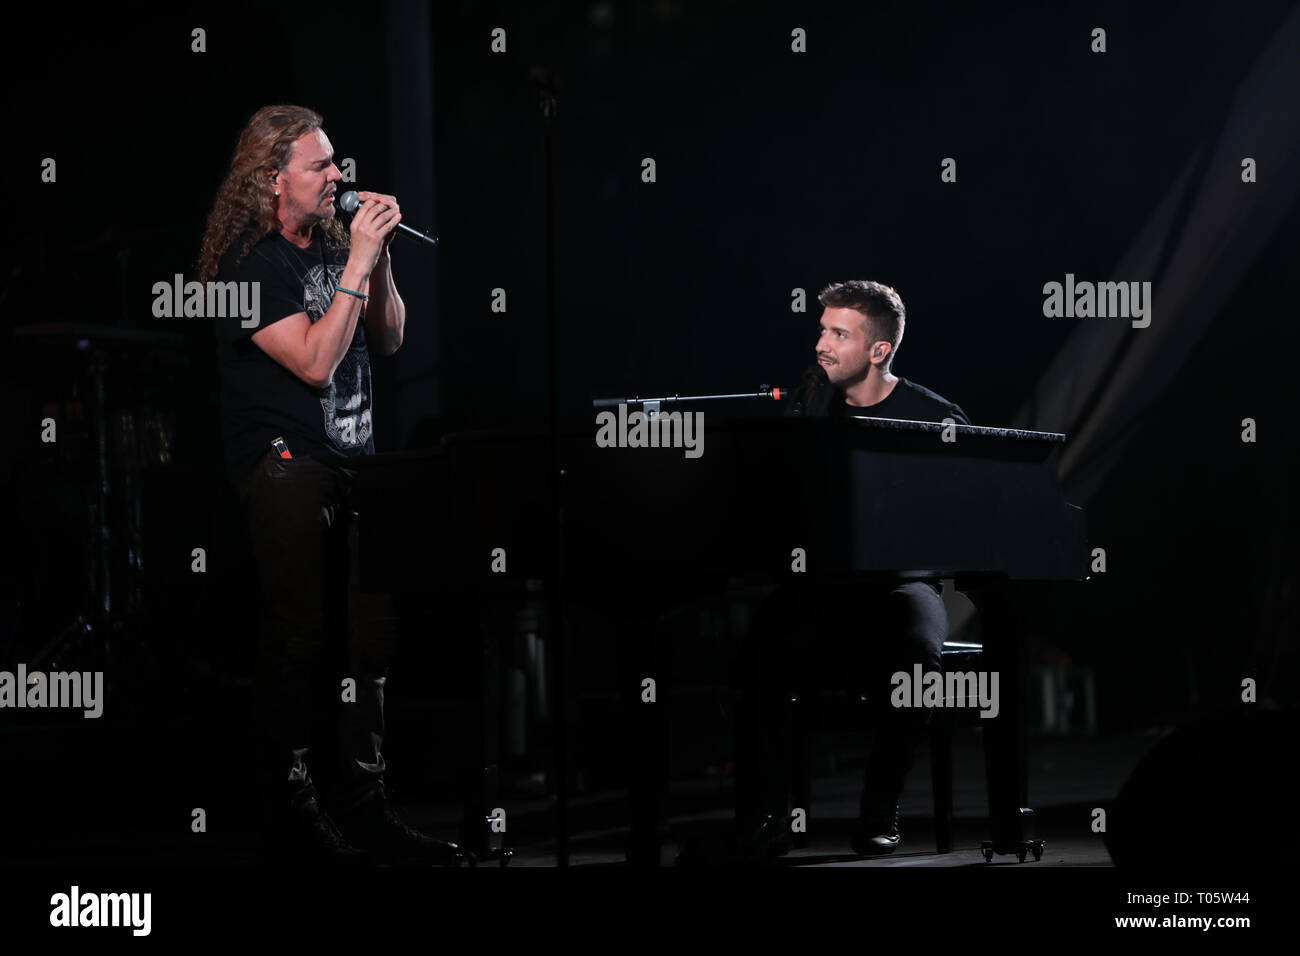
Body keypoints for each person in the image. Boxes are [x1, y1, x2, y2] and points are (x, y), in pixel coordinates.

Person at [201, 104, 466, 865]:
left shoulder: (333, 246)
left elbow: (386, 336)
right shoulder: (246, 269)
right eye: (320, 165)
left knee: (369, 642)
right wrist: (355, 263)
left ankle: (366, 806)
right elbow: (315, 363)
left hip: (358, 461)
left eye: (336, 160)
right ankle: (288, 812)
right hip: (286, 464)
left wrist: (376, 260)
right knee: (297, 637)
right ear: (271, 179)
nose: (338, 176)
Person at [737, 279, 971, 857]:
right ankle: (765, 816)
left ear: (878, 350)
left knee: (918, 655)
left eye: (839, 333)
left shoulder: (934, 416)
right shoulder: (808, 407)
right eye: (822, 329)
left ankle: (879, 806)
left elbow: (970, 513)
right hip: (824, 583)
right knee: (759, 645)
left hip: (900, 583)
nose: (823, 343)